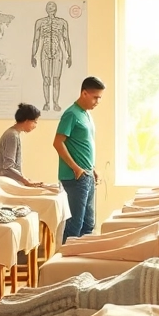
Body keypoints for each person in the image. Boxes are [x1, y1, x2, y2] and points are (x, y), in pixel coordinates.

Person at [56, 77, 103, 241]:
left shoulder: (87, 115)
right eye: (95, 97)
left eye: (99, 98)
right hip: (75, 177)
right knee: (74, 225)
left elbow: (85, 145)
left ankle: (82, 261)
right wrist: (76, 168)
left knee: (89, 224)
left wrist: (93, 168)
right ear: (84, 93)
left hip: (87, 174)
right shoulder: (71, 114)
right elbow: (58, 143)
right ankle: (65, 264)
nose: (97, 101)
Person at [0, 102, 52, 188]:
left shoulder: (14, 134)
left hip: (5, 181)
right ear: (27, 121)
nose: (35, 126)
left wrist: (24, 179)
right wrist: (24, 180)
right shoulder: (12, 135)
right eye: (35, 122)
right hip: (1, 182)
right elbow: (7, 167)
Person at [31, 1, 73, 112]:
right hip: (44, 52)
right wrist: (33, 55)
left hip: (57, 52)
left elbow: (66, 39)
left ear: (56, 8)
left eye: (53, 6)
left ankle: (55, 103)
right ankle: (46, 103)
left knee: (56, 79)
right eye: (49, 6)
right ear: (46, 8)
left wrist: (69, 55)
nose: (51, 7)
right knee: (46, 79)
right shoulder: (40, 22)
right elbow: (36, 39)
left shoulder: (62, 22)